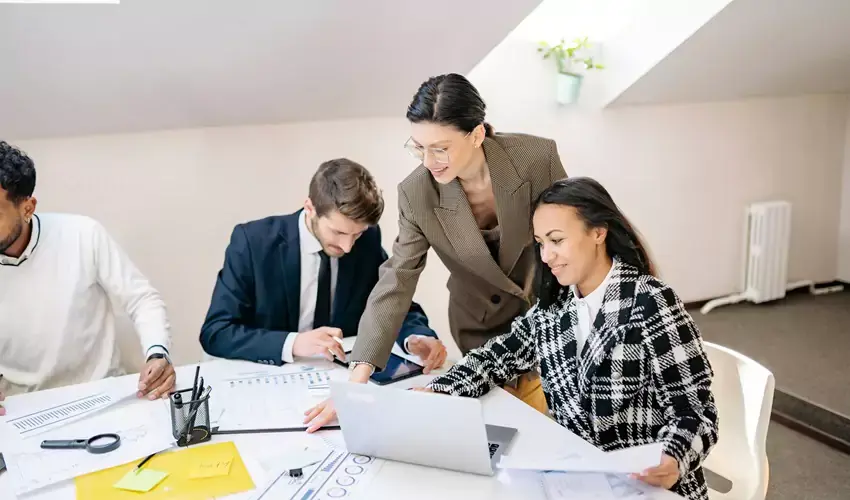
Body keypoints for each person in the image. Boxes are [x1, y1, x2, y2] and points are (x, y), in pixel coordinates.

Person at [419, 177, 719, 500]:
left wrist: (673, 457)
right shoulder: (553, 308)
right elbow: (495, 358)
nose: (546, 255)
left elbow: (697, 411)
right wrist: (439, 390)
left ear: (598, 232)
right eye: (540, 242)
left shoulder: (651, 302)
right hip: (578, 483)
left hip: (649, 487)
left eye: (556, 240)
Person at [304, 73, 566, 431]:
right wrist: (354, 386)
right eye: (418, 147)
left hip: (548, 310)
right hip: (480, 323)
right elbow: (396, 282)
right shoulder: (417, 193)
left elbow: (569, 235)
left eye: (440, 148)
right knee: (503, 432)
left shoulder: (536, 157)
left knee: (560, 425)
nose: (428, 161)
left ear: (477, 135)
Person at [199, 158, 441, 366]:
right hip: (270, 377)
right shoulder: (253, 243)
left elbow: (393, 303)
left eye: (356, 234)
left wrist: (416, 337)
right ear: (310, 208)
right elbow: (216, 333)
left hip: (337, 380)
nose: (347, 247)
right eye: (338, 232)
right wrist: (293, 343)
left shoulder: (366, 241)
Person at [0, 141, 175, 409]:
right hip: (21, 406)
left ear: (27, 207)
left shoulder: (82, 234)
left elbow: (142, 299)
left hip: (100, 396)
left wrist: (157, 353)